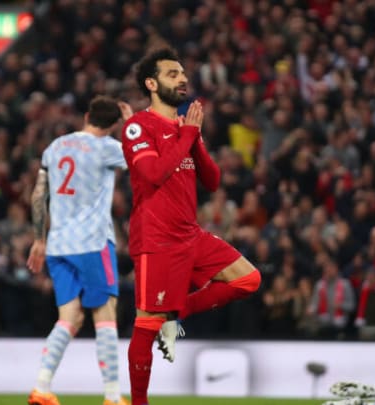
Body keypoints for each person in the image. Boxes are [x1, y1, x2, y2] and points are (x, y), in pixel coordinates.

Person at [122, 47, 261, 405]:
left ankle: (177, 313)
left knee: (248, 279)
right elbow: (152, 174)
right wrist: (187, 136)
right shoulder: (139, 125)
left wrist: (194, 138)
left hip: (190, 232)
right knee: (145, 322)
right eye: (172, 74)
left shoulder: (185, 128)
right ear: (151, 84)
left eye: (182, 72)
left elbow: (212, 181)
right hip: (157, 237)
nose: (182, 78)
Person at [26, 96, 133, 405]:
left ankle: (41, 388)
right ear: (112, 125)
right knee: (105, 316)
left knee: (69, 319)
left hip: (58, 244)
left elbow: (38, 194)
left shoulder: (56, 147)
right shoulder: (108, 147)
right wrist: (130, 123)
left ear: (87, 116)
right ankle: (113, 397)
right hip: (93, 243)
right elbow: (142, 157)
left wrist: (38, 238)